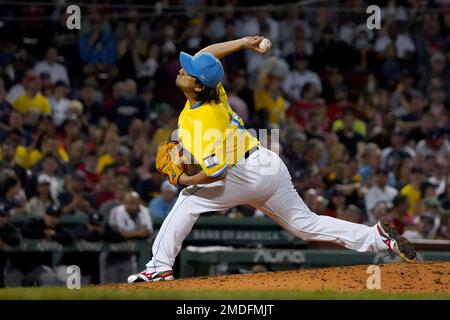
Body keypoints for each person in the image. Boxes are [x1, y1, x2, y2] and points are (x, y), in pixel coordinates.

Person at [127, 37, 416, 283]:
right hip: (267, 163)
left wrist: (184, 179)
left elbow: (217, 173)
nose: (181, 70)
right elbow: (207, 55)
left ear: (199, 86)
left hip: (243, 172)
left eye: (188, 72)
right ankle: (378, 238)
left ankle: (158, 269)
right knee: (305, 225)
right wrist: (243, 42)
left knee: (188, 199)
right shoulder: (215, 92)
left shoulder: (203, 122)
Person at [102, 192, 153, 283]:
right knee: (109, 286)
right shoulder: (116, 211)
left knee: (128, 286)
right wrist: (138, 233)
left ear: (138, 203)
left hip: (129, 256)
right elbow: (118, 233)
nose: (129, 205)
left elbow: (148, 231)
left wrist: (129, 234)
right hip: (112, 255)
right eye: (126, 202)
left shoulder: (144, 211)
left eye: (132, 203)